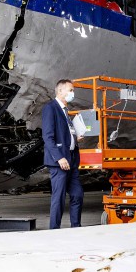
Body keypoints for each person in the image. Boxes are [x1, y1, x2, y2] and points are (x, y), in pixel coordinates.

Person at [41, 79, 84, 229]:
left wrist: (75, 138)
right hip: (60, 160)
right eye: (70, 90)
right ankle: (54, 229)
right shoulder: (50, 109)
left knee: (77, 194)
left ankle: (76, 226)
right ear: (60, 91)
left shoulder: (66, 111)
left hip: (71, 158)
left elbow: (65, 134)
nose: (73, 93)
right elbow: (47, 136)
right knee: (58, 197)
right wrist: (59, 157)